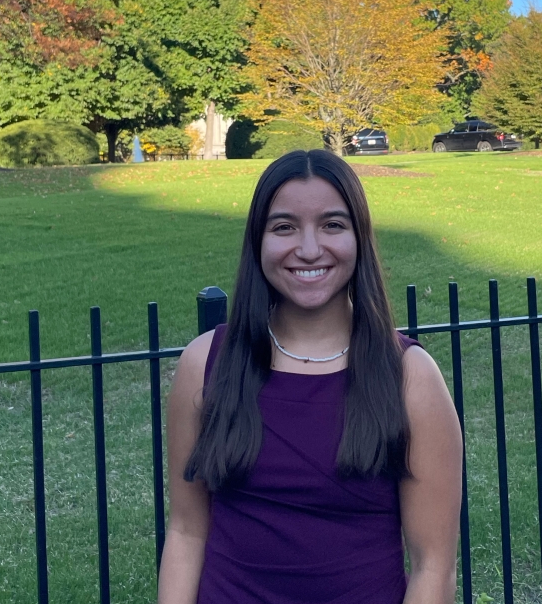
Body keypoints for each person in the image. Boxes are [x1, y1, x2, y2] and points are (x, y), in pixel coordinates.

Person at [159, 149, 463, 604]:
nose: (308, 249)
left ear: (359, 237)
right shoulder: (205, 364)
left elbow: (433, 565)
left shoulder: (408, 376)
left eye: (332, 225)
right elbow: (186, 532)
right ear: (257, 241)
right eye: (284, 227)